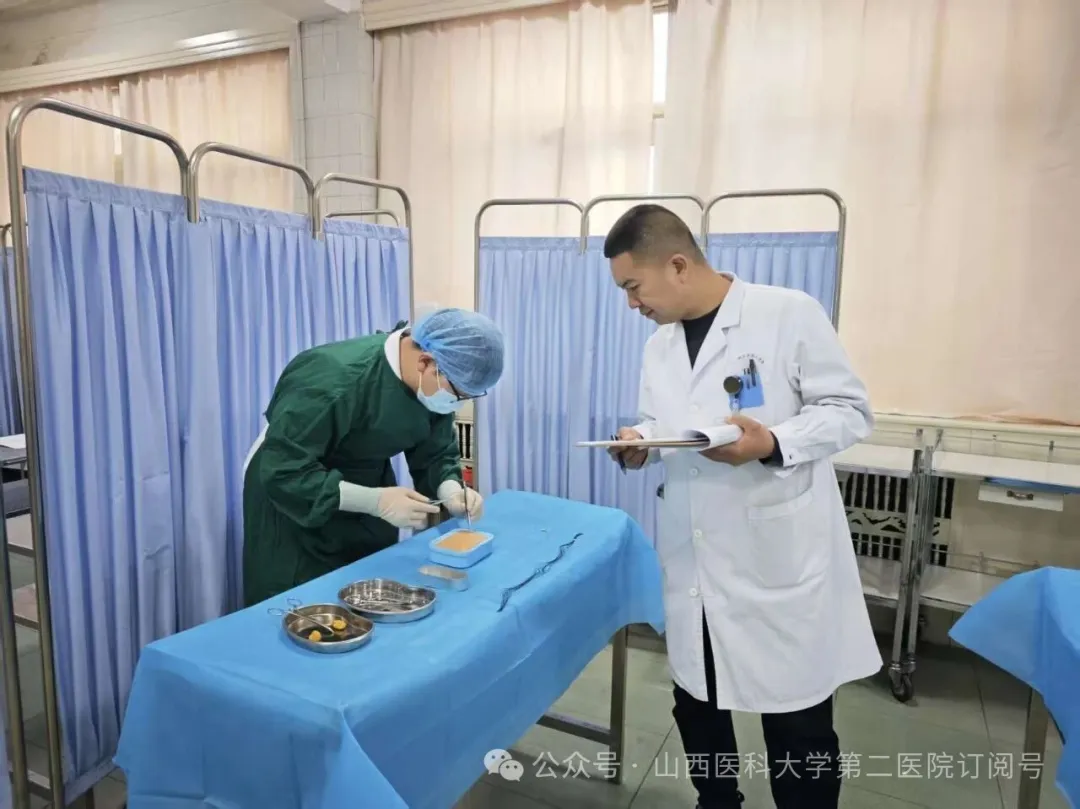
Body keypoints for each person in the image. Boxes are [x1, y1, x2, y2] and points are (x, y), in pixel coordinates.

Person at [604, 205, 880, 809]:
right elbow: (664, 421)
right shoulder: (659, 346)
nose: (631, 303)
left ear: (678, 265)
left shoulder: (788, 313)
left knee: (798, 728)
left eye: (633, 286)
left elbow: (849, 412)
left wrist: (773, 442)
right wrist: (641, 442)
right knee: (697, 705)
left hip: (774, 562)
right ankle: (717, 801)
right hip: (694, 561)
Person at [241, 308, 503, 607]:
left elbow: (436, 452)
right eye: (458, 394)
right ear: (425, 363)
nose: (457, 403)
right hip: (294, 497)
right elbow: (284, 471)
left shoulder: (432, 385)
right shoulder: (332, 378)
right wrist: (375, 501)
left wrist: (452, 491)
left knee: (368, 588)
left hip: (366, 481)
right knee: (300, 603)